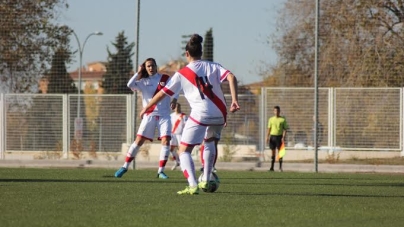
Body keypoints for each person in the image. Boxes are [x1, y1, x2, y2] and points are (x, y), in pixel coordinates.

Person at [139, 34, 240, 195]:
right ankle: (206, 179)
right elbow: (231, 77)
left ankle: (193, 185)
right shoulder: (213, 66)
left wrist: (146, 108)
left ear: (187, 54)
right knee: (210, 142)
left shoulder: (182, 73)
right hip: (220, 113)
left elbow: (161, 94)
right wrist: (234, 100)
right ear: (201, 52)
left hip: (201, 114)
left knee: (184, 151)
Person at [114, 58, 176, 179]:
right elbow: (129, 84)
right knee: (138, 141)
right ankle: (125, 166)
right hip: (149, 115)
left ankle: (161, 171)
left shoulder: (165, 79)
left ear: (156, 66)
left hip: (164, 115)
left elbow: (175, 90)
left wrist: (174, 99)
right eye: (148, 66)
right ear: (145, 68)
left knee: (166, 141)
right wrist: (138, 72)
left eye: (152, 65)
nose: (151, 68)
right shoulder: (143, 81)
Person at [266, 106, 288, 172]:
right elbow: (269, 129)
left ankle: (280, 168)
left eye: (278, 111)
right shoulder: (271, 119)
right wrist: (267, 137)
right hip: (272, 137)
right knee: (273, 152)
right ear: (273, 111)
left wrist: (283, 137)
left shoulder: (283, 119)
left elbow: (285, 129)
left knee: (280, 153)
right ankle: (272, 167)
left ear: (279, 111)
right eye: (275, 111)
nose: (276, 112)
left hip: (279, 137)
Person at [170, 103, 187, 170]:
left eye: (178, 107)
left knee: (181, 150)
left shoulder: (183, 116)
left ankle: (183, 164)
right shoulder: (171, 115)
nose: (177, 108)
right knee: (170, 149)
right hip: (173, 134)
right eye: (176, 107)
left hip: (180, 134)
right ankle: (177, 161)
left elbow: (186, 125)